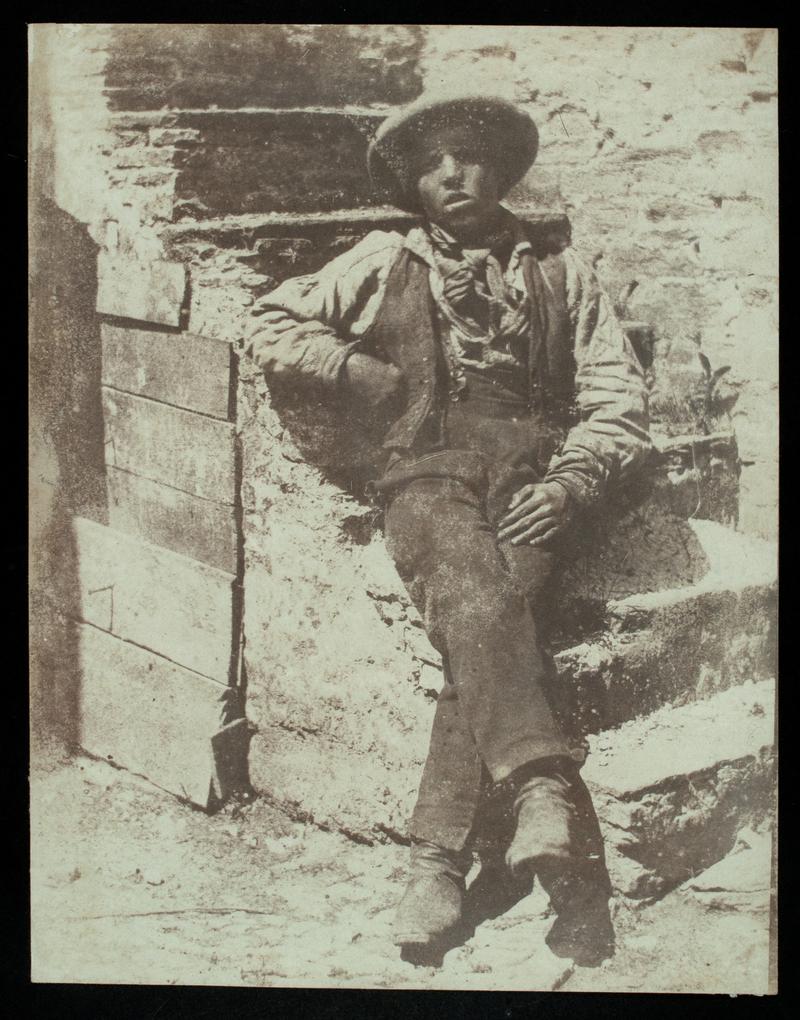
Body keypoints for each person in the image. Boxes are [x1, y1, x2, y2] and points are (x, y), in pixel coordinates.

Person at [244, 92, 652, 955]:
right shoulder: (384, 257)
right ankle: (539, 785)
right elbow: (269, 320)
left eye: (467, 157)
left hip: (529, 479)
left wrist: (574, 484)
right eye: (431, 165)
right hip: (423, 470)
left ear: (499, 169)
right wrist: (348, 366)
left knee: (491, 624)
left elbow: (618, 396)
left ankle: (434, 863)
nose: (451, 174)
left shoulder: (560, 269)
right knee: (473, 591)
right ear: (414, 185)